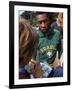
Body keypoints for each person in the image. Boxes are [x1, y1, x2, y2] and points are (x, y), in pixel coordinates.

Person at [32, 12, 63, 77]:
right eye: (40, 22)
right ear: (37, 23)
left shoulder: (56, 34)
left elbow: (61, 52)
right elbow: (33, 60)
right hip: (41, 73)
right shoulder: (34, 37)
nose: (43, 25)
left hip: (55, 71)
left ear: (49, 20)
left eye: (45, 21)